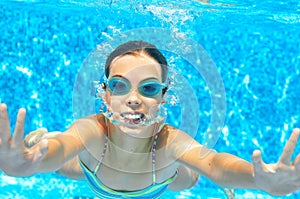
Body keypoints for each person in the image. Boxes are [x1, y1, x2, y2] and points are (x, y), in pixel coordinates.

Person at [1, 40, 300, 198]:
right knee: (59, 160)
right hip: (93, 173)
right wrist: (29, 164)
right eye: (119, 85)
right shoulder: (94, 130)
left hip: (161, 181)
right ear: (104, 95)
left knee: (192, 175)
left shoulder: (168, 141)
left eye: (148, 88)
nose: (133, 98)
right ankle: (40, 140)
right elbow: (65, 147)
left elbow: (215, 162)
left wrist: (255, 178)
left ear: (163, 98)